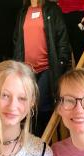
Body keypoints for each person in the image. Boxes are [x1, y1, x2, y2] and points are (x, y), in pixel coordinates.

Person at [13, 0, 71, 136]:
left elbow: (62, 36)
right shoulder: (22, 12)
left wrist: (62, 61)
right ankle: (37, 143)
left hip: (47, 68)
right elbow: (16, 40)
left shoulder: (52, 9)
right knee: (31, 109)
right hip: (27, 71)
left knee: (39, 105)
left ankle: (46, 140)